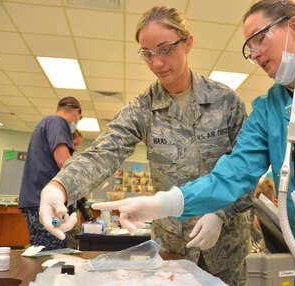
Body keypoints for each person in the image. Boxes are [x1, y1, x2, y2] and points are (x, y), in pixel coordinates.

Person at [77, 0, 295, 284]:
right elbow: (232, 174)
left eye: (260, 38)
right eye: (250, 48)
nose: (255, 53)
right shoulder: (268, 111)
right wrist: (164, 203)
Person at [38, 6, 254, 285]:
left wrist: (220, 213)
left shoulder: (226, 102)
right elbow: (104, 151)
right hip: (173, 249)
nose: (156, 63)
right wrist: (59, 187)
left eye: (164, 50)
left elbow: (248, 168)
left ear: (187, 42)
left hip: (226, 249)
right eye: (147, 54)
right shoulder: (144, 107)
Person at [18, 96, 82, 250]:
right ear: (76, 113)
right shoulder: (57, 122)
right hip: (47, 203)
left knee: (42, 250)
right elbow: (64, 162)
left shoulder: (46, 124)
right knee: (51, 256)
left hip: (39, 201)